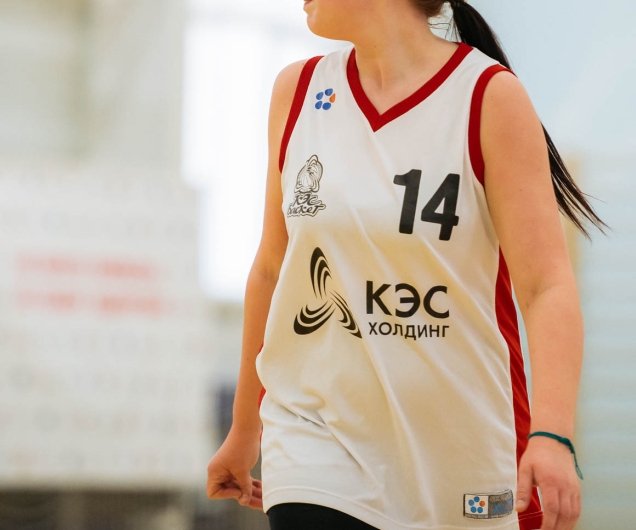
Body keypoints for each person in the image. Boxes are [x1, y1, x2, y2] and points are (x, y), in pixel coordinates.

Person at [206, 1, 609, 529]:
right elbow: (271, 268)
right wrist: (245, 430)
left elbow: (546, 285)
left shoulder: (488, 96)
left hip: (460, 451)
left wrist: (552, 435)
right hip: (314, 437)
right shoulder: (298, 91)